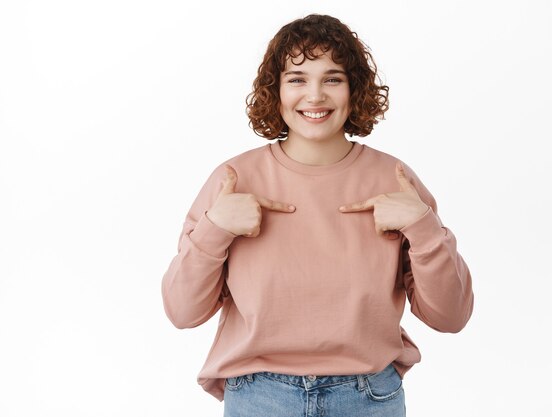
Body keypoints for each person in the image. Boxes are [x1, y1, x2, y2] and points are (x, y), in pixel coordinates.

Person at [161, 13, 474, 417]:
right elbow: (182, 312)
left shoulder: (393, 179)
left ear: (353, 88)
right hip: (259, 396)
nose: (315, 95)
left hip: (368, 397)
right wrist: (214, 231)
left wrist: (424, 229)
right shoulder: (234, 179)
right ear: (275, 91)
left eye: (332, 78)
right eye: (297, 79)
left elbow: (450, 317)